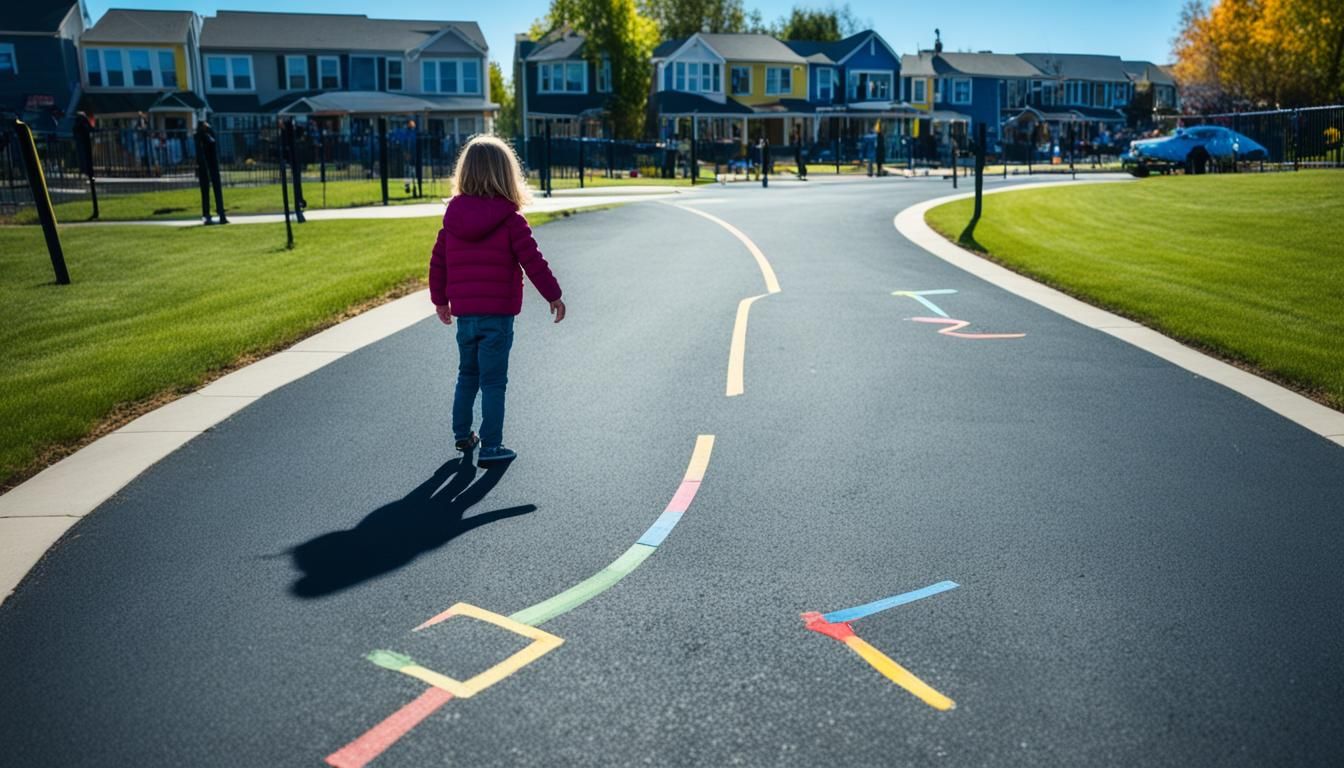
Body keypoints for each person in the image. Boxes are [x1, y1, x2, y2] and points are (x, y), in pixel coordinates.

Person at [428, 136, 565, 466]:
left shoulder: (453, 221)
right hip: (498, 315)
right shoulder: (511, 221)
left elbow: (438, 263)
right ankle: (491, 446)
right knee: (493, 382)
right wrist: (553, 295)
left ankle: (462, 435)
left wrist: (441, 301)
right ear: (507, 175)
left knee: (467, 375)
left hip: (466, 315)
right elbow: (533, 261)